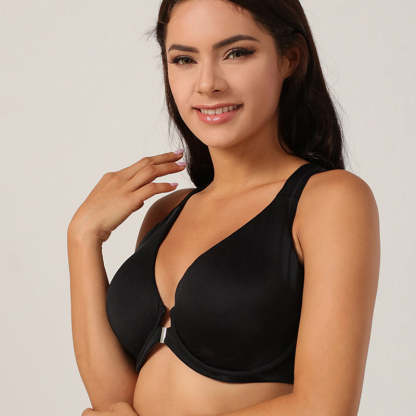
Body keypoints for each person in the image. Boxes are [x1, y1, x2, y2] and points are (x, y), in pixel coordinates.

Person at [67, 1, 380, 416]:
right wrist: (82, 237)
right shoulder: (166, 212)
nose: (207, 84)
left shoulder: (329, 200)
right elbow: (116, 402)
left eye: (236, 53)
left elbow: (325, 407)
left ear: (290, 58)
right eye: (184, 59)